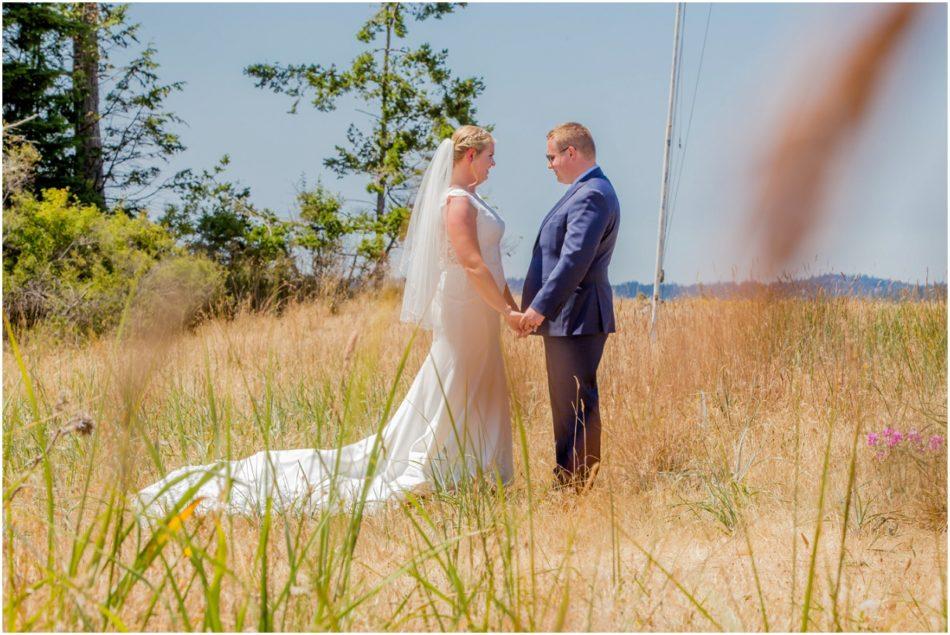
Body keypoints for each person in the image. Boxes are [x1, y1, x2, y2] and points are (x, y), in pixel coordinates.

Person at [135, 125, 523, 517]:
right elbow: (472, 263)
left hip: (481, 307)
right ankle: (446, 464)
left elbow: (494, 265)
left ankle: (476, 465)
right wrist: (506, 310)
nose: (494, 163)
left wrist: (510, 308)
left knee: (478, 379)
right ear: (470, 156)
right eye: (490, 155)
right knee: (457, 378)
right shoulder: (456, 202)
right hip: (463, 304)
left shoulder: (472, 198)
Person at [519, 122, 620, 491]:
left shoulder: (592, 194)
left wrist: (538, 309)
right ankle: (569, 481)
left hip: (577, 316)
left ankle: (576, 485)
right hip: (569, 317)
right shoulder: (585, 191)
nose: (550, 165)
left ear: (571, 153)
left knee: (575, 403)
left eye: (552, 157)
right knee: (567, 403)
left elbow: (574, 260)